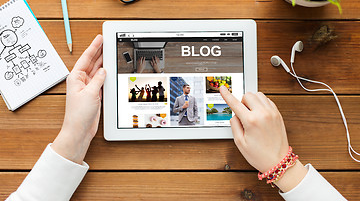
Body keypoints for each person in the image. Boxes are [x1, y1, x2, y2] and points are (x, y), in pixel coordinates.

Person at [6, 35, 346, 201]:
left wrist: (73, 140)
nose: (183, 95)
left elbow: (190, 107)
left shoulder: (190, 100)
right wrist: (282, 165)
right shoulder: (176, 98)